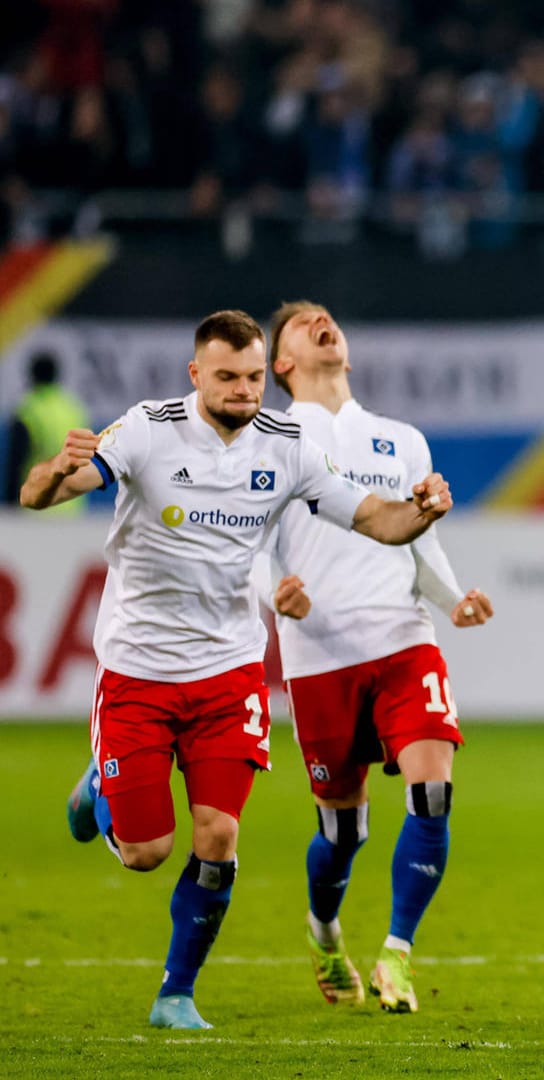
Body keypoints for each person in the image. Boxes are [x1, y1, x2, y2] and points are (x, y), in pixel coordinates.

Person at [23, 310, 453, 1030]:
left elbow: (376, 518)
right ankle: (103, 782)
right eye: (227, 377)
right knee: (145, 851)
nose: (243, 390)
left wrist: (421, 511)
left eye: (253, 377)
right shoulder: (148, 430)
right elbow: (46, 494)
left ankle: (176, 994)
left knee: (218, 840)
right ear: (197, 375)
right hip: (139, 668)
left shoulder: (286, 446)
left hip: (229, 673)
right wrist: (54, 474)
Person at [261, 301, 495, 1013]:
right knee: (343, 828)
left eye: (327, 316)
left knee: (432, 790)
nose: (320, 321)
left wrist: (452, 598)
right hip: (320, 653)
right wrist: (278, 593)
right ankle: (324, 928)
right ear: (282, 362)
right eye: (302, 322)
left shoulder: (402, 440)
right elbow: (248, 542)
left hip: (402, 638)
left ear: (348, 352)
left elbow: (419, 541)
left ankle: (398, 952)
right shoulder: (268, 440)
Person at [6, 353, 89, 516]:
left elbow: (16, 462)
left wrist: (10, 507)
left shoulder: (28, 410)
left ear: (32, 376)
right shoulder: (74, 409)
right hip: (72, 509)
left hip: (35, 509)